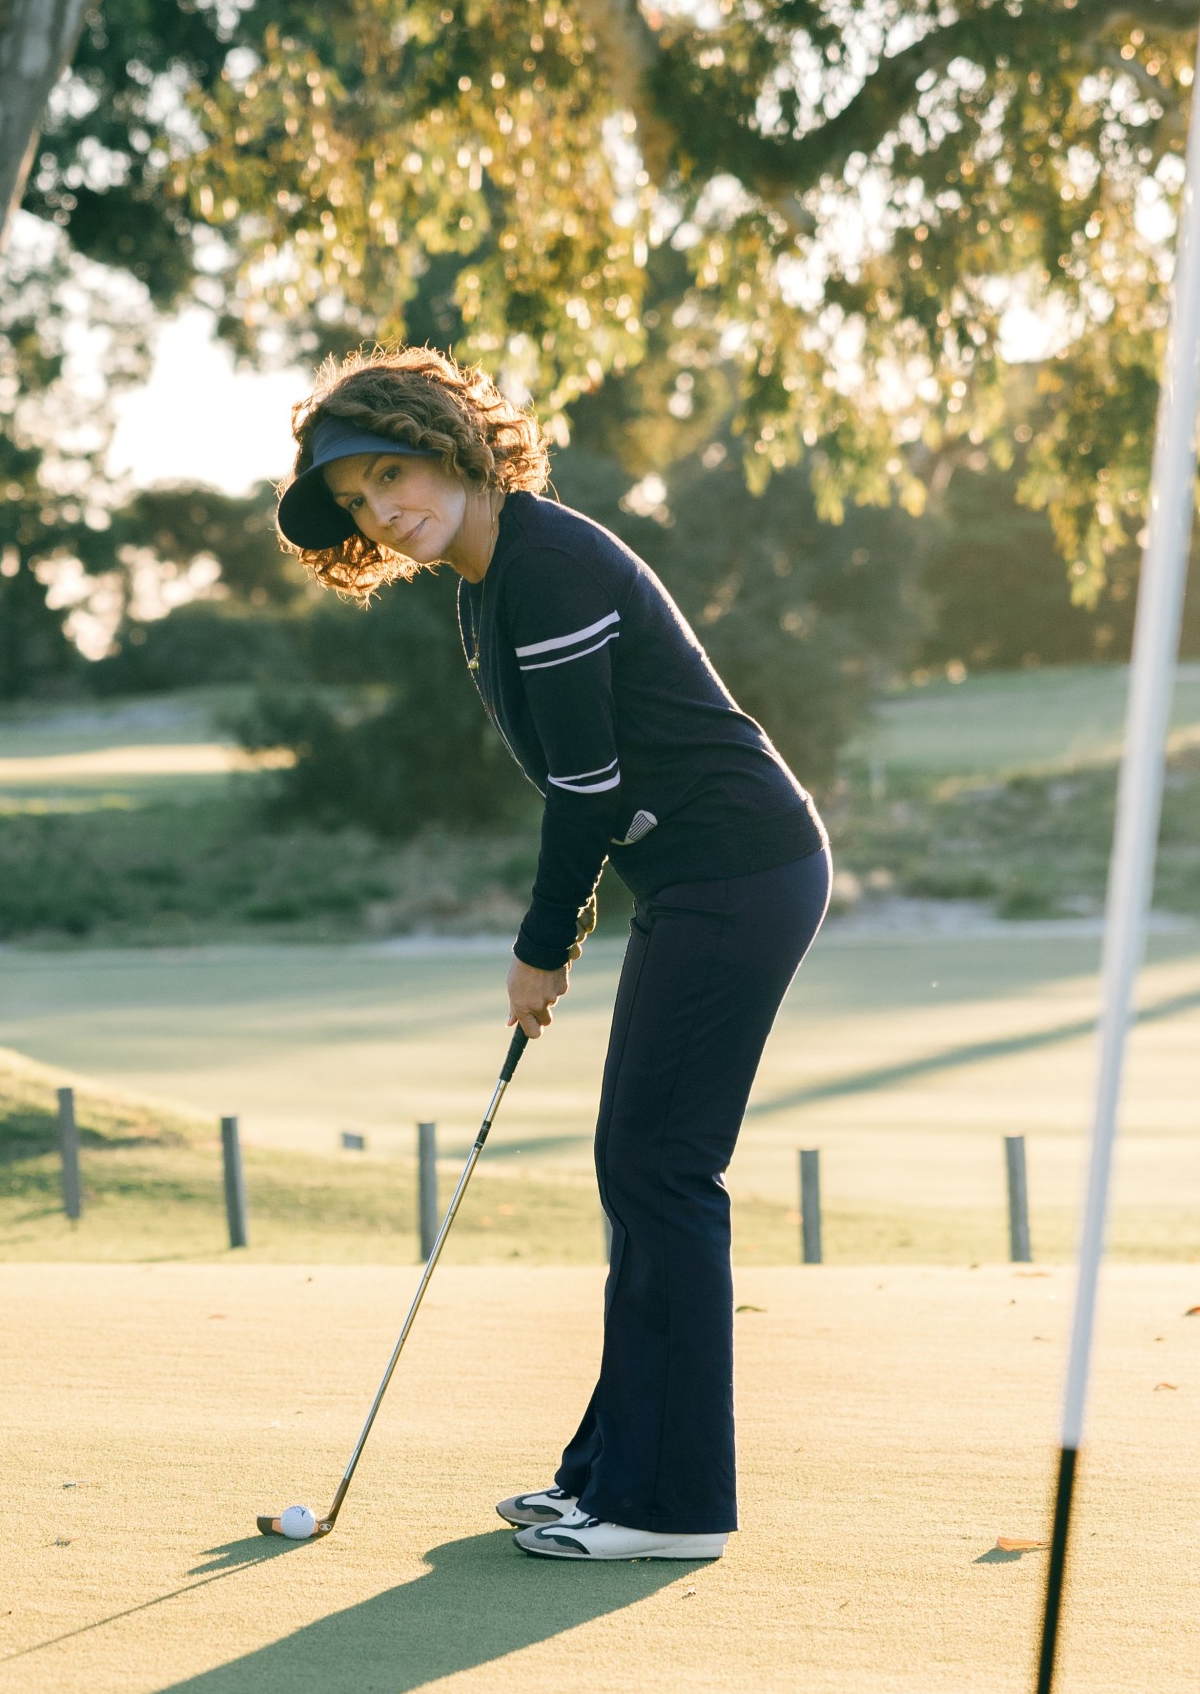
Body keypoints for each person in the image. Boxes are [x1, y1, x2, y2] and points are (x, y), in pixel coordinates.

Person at [275, 346, 830, 1564]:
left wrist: (543, 948)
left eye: (394, 473)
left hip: (738, 873)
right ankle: (611, 1473)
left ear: (453, 443)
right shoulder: (492, 578)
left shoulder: (549, 567)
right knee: (639, 1166)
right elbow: (588, 784)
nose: (385, 509)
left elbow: (586, 785)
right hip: (698, 881)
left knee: (661, 1172)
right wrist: (565, 932)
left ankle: (669, 1507)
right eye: (362, 500)